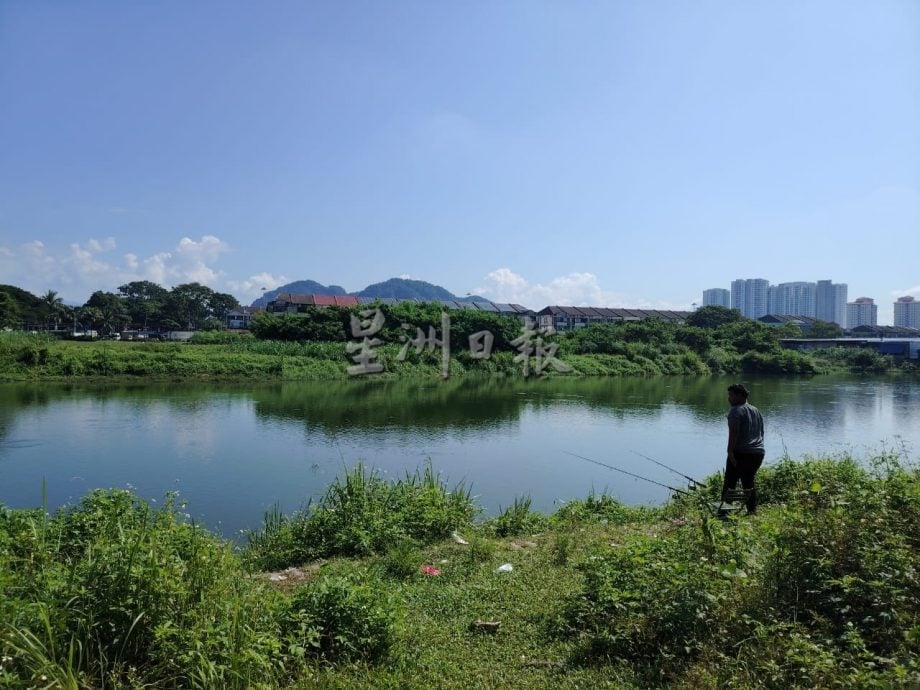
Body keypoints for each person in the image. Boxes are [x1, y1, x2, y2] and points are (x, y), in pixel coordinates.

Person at [720, 383, 765, 516]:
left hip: (741, 453)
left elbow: (734, 433)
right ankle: (752, 511)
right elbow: (761, 432)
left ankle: (724, 513)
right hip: (758, 452)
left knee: (730, 483)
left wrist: (730, 452)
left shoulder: (736, 410)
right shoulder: (756, 410)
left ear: (740, 396)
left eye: (731, 395)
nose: (729, 398)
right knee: (748, 481)